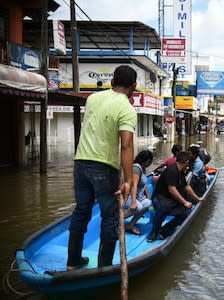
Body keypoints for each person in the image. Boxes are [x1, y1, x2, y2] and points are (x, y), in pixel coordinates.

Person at [66, 65, 137, 270]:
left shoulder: (92, 99)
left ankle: (73, 262)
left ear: (112, 82)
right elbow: (126, 145)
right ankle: (104, 267)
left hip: (80, 162)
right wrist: (127, 180)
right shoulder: (127, 109)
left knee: (81, 211)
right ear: (134, 86)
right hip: (103, 167)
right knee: (110, 216)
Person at [147, 151, 203, 242]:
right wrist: (185, 202)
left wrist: (197, 198)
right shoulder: (172, 170)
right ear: (186, 162)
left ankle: (164, 230)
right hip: (160, 198)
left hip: (171, 199)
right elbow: (172, 190)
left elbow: (186, 186)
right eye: (188, 163)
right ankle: (154, 232)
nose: (188, 165)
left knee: (186, 213)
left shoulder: (180, 171)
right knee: (163, 208)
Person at [124, 150, 154, 235]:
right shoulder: (136, 168)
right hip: (129, 196)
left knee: (149, 204)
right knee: (138, 207)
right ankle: (116, 220)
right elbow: (134, 186)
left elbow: (145, 186)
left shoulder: (143, 169)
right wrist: (133, 202)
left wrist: (148, 198)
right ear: (148, 161)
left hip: (139, 197)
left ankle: (130, 225)